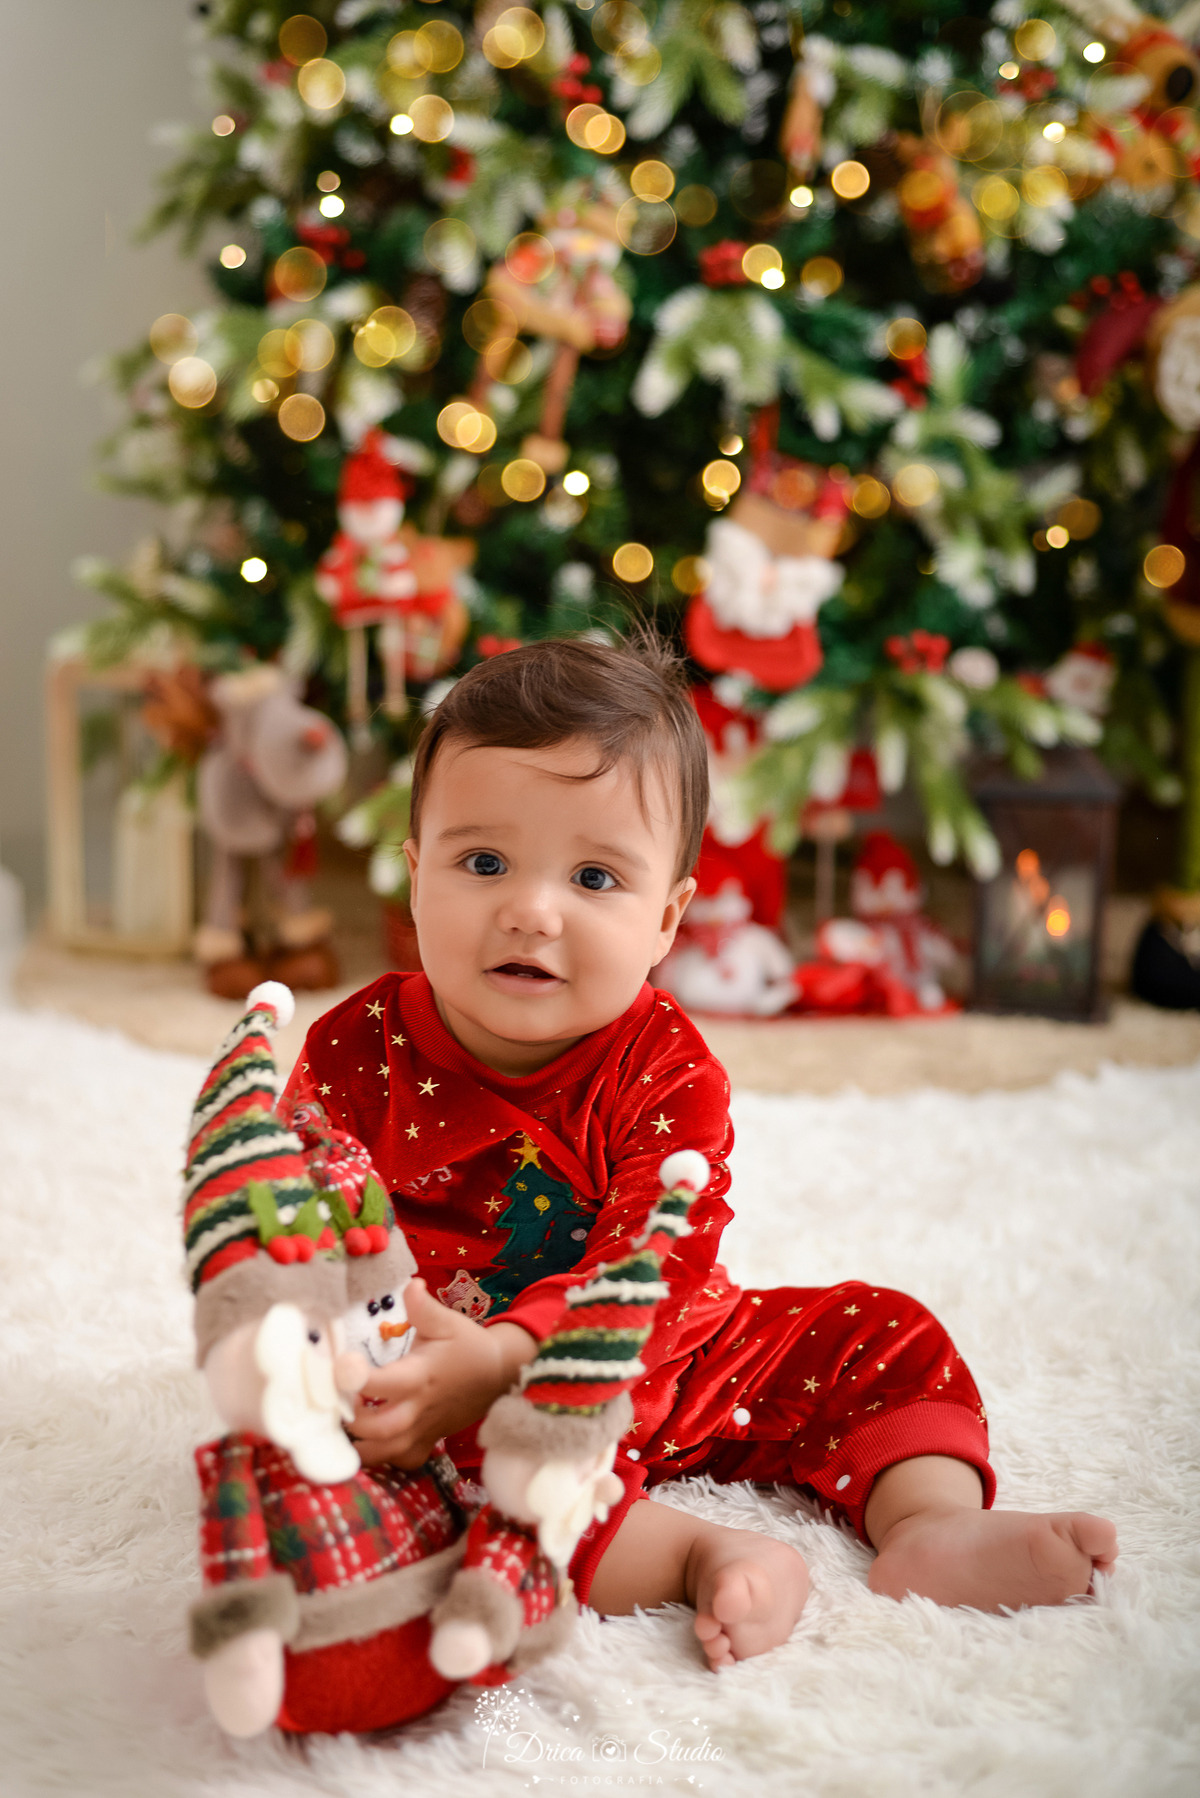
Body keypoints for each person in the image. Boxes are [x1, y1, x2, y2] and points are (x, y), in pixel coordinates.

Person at [281, 637, 1117, 1671]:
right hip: (466, 1385)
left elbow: (662, 1262)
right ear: (415, 877)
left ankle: (929, 1522)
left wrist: (521, 1345)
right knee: (431, 1478)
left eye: (594, 876)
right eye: (482, 861)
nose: (531, 909)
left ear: (667, 917)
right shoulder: (355, 1052)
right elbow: (298, 1224)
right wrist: (399, 1356)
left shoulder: (666, 1067)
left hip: (675, 1355)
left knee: (883, 1332)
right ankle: (692, 1556)